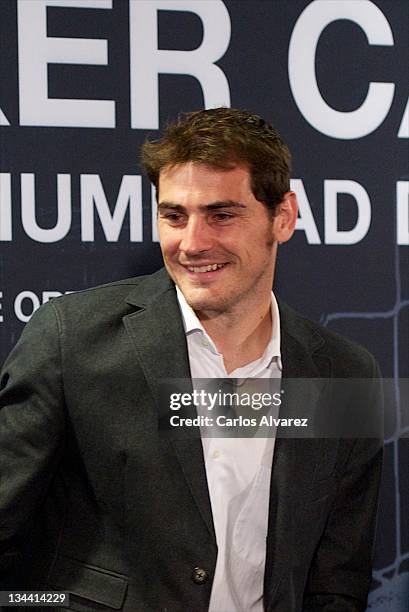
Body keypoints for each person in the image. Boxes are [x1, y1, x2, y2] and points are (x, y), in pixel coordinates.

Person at [0, 108, 382, 611]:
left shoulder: (342, 373)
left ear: (283, 217)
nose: (193, 243)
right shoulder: (72, 341)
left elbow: (336, 584)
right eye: (173, 216)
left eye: (222, 215)